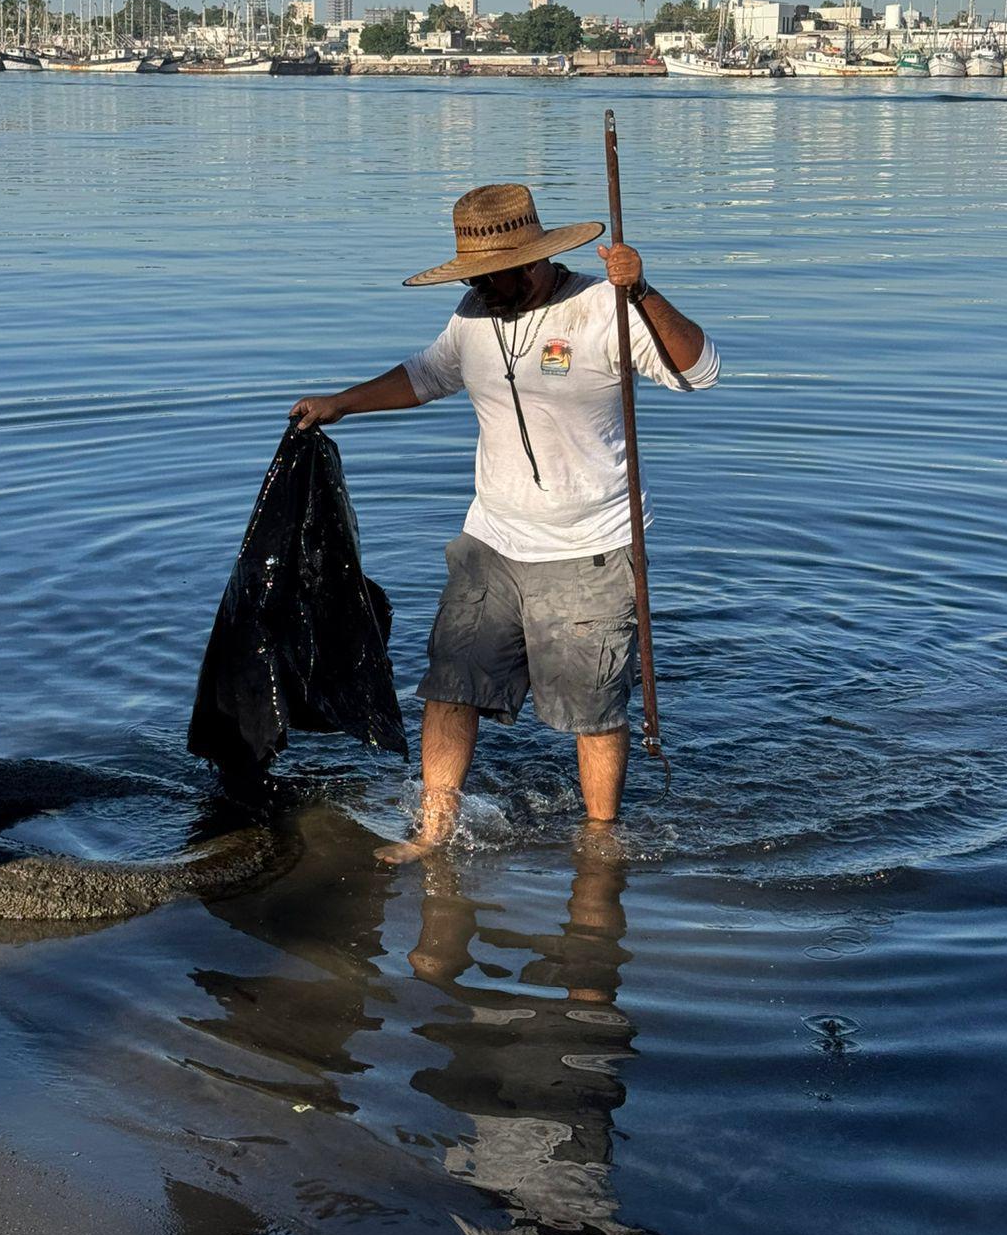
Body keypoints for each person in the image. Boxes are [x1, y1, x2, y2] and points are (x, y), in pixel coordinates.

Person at [290, 182, 719, 862]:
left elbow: (698, 369)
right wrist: (344, 403)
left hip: (591, 549)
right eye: (474, 278)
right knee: (449, 686)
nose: (483, 288)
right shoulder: (473, 314)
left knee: (594, 712)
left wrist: (641, 292)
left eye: (495, 276)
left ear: (537, 260)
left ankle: (599, 846)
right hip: (490, 541)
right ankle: (434, 832)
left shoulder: (601, 306)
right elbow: (430, 373)